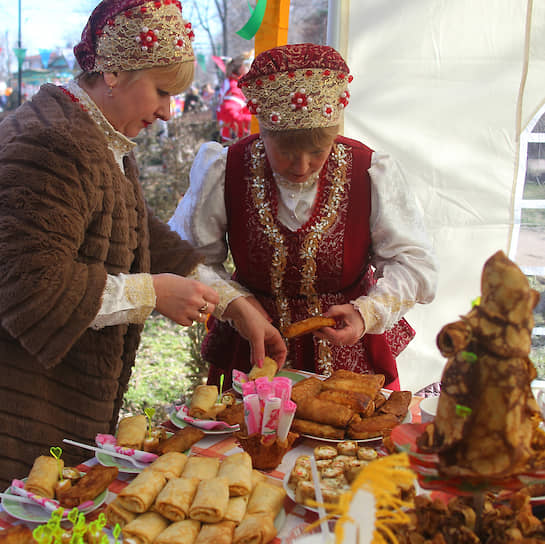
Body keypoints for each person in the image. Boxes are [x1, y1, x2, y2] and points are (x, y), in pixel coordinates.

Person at [0, 0, 285, 489]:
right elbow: (29, 287)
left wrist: (237, 306)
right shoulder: (51, 140)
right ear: (112, 71)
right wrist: (151, 293)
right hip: (22, 407)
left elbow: (139, 229)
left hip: (59, 400)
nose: (167, 112)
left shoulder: (95, 132)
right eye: (161, 91)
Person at [169, 43, 438, 391]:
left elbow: (415, 264)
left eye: (317, 151)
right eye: (285, 152)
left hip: (348, 358)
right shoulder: (226, 169)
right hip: (253, 347)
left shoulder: (369, 171)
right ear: (263, 132)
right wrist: (235, 304)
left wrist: (366, 312)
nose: (302, 166)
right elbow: (188, 256)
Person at [216, 53, 252, 144]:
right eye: (249, 65)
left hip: (234, 137)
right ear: (241, 68)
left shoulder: (235, 83)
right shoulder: (235, 87)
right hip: (234, 139)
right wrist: (254, 121)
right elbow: (229, 114)